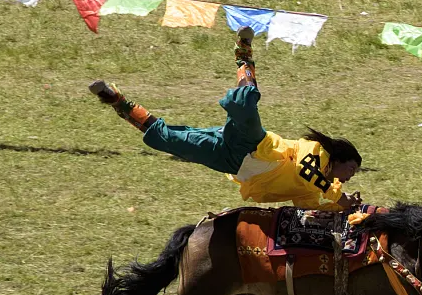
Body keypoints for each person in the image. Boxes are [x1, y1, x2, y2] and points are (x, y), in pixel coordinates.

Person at [89, 27, 362, 210]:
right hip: (255, 145)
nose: (351, 175)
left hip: (231, 162)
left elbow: (308, 205)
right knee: (245, 102)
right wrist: (338, 196)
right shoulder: (317, 152)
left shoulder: (317, 188)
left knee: (168, 140)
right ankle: (243, 55)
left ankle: (118, 102)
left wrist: (342, 207)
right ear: (339, 158)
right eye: (351, 168)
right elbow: (306, 169)